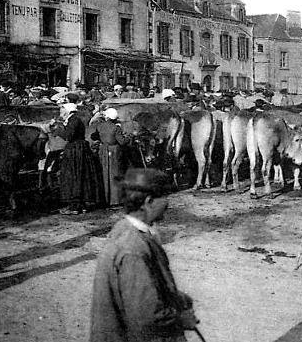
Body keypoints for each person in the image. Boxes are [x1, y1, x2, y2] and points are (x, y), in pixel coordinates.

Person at [90, 167, 199, 342]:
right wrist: (180, 320)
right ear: (148, 202)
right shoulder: (133, 248)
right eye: (164, 198)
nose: (168, 204)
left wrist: (173, 296)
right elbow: (146, 317)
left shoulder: (125, 230)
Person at [56, 103, 104, 215]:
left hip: (75, 150)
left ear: (67, 111)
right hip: (79, 149)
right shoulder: (74, 120)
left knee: (74, 176)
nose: (61, 113)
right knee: (80, 175)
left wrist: (58, 130)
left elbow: (69, 136)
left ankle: (74, 206)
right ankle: (81, 205)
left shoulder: (73, 120)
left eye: (62, 111)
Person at [91, 108, 128, 208]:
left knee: (104, 174)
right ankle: (115, 201)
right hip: (114, 151)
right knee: (115, 174)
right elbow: (122, 142)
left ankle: (104, 199)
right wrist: (129, 137)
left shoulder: (100, 126)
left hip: (103, 150)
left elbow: (93, 136)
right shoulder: (116, 128)